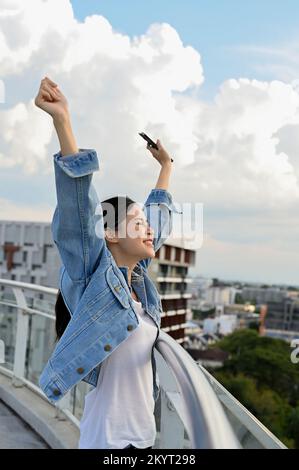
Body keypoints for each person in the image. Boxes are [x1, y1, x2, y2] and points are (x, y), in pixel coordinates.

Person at [34, 77, 178, 449]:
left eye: (146, 224)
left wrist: (166, 166)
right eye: (137, 223)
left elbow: (158, 221)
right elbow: (78, 211)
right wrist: (63, 122)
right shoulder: (92, 279)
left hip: (144, 439)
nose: (148, 231)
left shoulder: (138, 283)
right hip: (108, 442)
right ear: (110, 234)